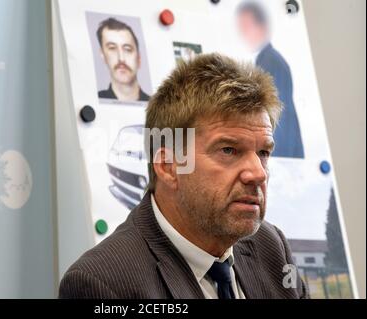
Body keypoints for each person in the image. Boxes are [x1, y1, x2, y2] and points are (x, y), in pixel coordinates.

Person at [59, 53, 308, 299]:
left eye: (263, 152)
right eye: (229, 150)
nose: (258, 174)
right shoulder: (102, 284)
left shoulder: (272, 247)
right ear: (168, 166)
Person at [237, 1, 304, 158]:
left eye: (247, 27)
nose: (244, 33)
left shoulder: (270, 62)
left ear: (262, 27)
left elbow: (277, 119)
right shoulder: (266, 59)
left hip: (283, 158)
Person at [96, 18, 150, 102]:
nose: (121, 58)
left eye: (127, 49)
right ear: (103, 55)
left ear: (139, 58)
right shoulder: (94, 99)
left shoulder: (158, 107)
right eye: (112, 48)